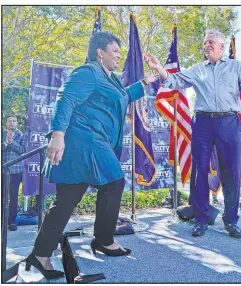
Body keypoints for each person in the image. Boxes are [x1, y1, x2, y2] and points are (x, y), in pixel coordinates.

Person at [25, 31, 158, 280]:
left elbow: (124, 96)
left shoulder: (112, 79)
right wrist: (57, 134)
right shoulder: (88, 72)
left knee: (65, 201)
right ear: (100, 52)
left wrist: (146, 82)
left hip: (90, 146)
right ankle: (104, 240)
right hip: (84, 142)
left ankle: (40, 253)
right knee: (114, 182)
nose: (119, 56)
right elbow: (65, 99)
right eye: (115, 51)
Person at [145, 29, 241, 238]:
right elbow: (175, 81)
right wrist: (159, 68)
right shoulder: (198, 69)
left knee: (231, 172)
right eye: (205, 43)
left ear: (221, 47)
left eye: (211, 42)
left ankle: (231, 220)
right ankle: (200, 218)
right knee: (199, 172)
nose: (207, 46)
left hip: (229, 121)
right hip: (203, 122)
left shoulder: (236, 67)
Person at [1, 115, 27, 231]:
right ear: (6, 123)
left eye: (14, 121)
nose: (12, 123)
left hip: (16, 172)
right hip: (3, 170)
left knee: (13, 197)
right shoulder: (2, 134)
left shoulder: (22, 135)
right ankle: (2, 221)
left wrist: (12, 142)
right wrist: (6, 143)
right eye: (9, 121)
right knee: (2, 197)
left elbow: (23, 150)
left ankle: (12, 221)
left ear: (17, 123)